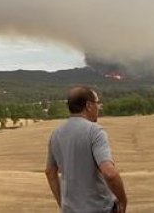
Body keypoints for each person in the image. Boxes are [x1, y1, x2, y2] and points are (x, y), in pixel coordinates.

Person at [46, 85, 128, 213]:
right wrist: (123, 201)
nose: (98, 107)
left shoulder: (55, 134)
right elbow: (110, 173)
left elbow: (50, 172)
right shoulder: (95, 132)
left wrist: (63, 204)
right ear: (89, 106)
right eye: (97, 102)